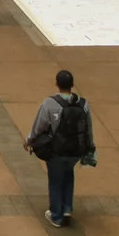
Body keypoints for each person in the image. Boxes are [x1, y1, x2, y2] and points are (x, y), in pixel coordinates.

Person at [24, 68, 93, 227]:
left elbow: (39, 126)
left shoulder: (50, 103)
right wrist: (89, 147)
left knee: (55, 180)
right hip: (76, 151)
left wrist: (29, 140)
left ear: (56, 84)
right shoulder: (83, 104)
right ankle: (67, 208)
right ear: (72, 85)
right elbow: (88, 127)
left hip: (57, 150)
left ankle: (56, 215)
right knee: (68, 175)